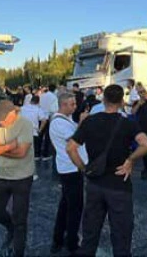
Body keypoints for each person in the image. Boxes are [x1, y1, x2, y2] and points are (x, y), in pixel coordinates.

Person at [67, 85, 147, 256]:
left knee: (90, 233)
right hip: (119, 185)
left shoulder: (90, 121)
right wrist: (130, 160)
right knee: (121, 235)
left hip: (95, 183)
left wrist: (83, 168)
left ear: (104, 100)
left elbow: (70, 148)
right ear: (122, 102)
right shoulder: (127, 123)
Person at [0, 100, 35, 257]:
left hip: (22, 177)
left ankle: (18, 252)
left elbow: (22, 153)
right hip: (2, 175)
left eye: (4, 119)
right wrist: (9, 146)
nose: (2, 123)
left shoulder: (25, 124)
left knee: (20, 219)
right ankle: (10, 227)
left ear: (13, 113)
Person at [49, 93, 88, 255]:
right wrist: (83, 122)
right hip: (71, 168)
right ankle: (72, 243)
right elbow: (74, 140)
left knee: (65, 205)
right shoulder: (58, 122)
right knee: (75, 207)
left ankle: (58, 239)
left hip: (69, 167)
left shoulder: (65, 119)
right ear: (63, 105)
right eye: (72, 104)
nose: (75, 107)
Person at [21, 95, 48, 160]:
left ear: (30, 101)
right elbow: (44, 121)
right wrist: (40, 130)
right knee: (35, 152)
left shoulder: (22, 108)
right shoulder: (38, 109)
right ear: (38, 102)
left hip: (23, 131)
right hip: (33, 132)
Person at [39, 84, 59, 160]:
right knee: (47, 137)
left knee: (40, 135)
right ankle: (45, 154)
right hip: (49, 117)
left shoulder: (42, 96)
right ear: (54, 89)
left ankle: (38, 153)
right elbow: (54, 109)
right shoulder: (54, 97)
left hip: (41, 117)